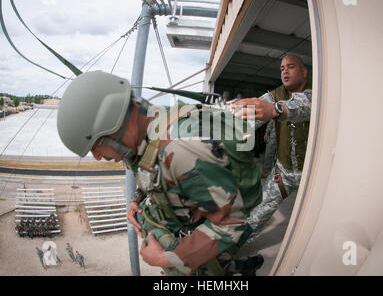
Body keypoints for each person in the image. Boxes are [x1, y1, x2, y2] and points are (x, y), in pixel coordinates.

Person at [56, 70, 263, 276]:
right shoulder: (145, 129)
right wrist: (137, 197)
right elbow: (152, 168)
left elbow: (230, 222)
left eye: (96, 145)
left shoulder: (180, 150)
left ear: (115, 126)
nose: (98, 156)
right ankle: (242, 267)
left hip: (219, 220)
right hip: (195, 207)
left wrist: (166, 259)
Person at [232, 54, 311, 242]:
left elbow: (304, 106)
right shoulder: (273, 96)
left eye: (290, 67)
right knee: (257, 214)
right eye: (282, 68)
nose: (285, 71)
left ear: (304, 71)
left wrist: (275, 110)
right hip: (284, 172)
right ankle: (233, 247)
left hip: (313, 173)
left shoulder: (316, 93)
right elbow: (251, 115)